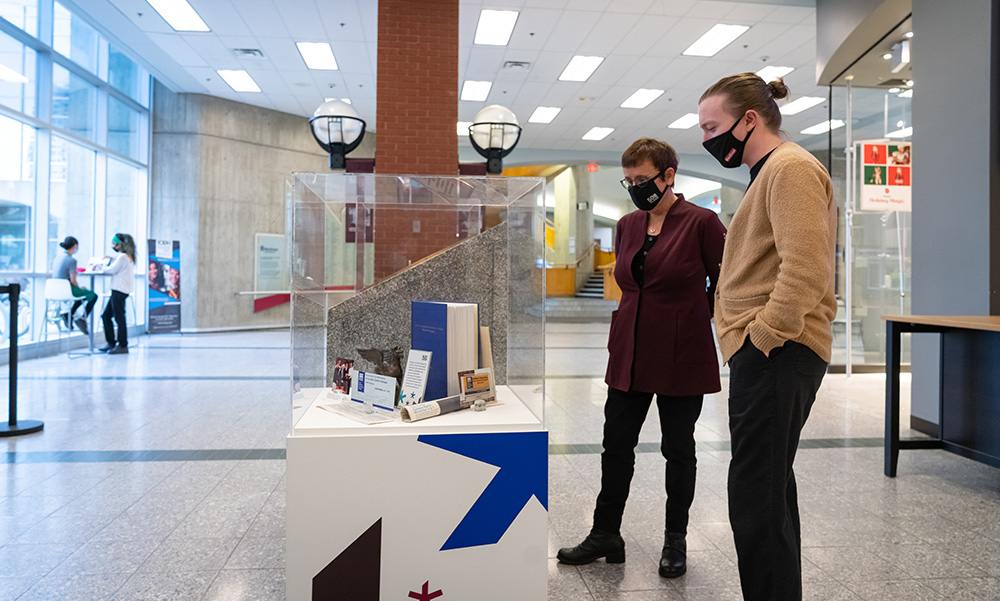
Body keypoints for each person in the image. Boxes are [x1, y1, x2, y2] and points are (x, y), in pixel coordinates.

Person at [556, 138, 726, 579]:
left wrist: (695, 314)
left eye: (642, 179)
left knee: (678, 449)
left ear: (668, 175)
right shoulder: (628, 224)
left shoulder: (702, 222)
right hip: (629, 350)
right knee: (616, 446)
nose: (634, 187)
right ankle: (606, 534)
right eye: (628, 180)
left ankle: (676, 539)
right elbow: (630, 280)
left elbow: (727, 280)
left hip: (681, 351)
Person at [698, 73, 836, 601]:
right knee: (768, 490)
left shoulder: (791, 168)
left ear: (749, 119)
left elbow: (805, 269)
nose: (708, 138)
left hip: (779, 351)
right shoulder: (771, 172)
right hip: (770, 352)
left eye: (713, 126)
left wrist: (761, 337)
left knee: (756, 496)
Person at [99, 233, 136, 355]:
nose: (113, 246)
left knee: (119, 318)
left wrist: (99, 267)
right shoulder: (127, 257)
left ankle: (122, 345)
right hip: (121, 290)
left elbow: (112, 270)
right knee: (106, 316)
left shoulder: (122, 257)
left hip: (119, 290)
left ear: (121, 245)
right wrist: (111, 260)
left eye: (115, 243)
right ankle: (111, 343)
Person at [52, 236, 98, 335]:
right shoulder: (72, 260)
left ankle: (69, 315)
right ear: (75, 246)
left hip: (54, 290)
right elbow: (73, 280)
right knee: (93, 295)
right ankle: (82, 318)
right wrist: (79, 288)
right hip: (67, 289)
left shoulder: (58, 257)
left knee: (82, 294)